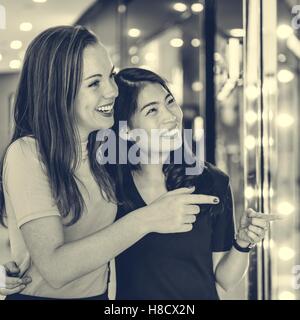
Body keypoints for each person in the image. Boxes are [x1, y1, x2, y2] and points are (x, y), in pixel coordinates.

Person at [0, 27, 215, 300]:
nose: (112, 91)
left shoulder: (104, 146)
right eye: (94, 83)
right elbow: (55, 268)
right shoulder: (28, 153)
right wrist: (148, 219)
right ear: (57, 92)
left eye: (110, 76)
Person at [107, 68, 281, 300]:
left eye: (170, 101)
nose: (170, 116)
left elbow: (225, 279)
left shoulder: (211, 181)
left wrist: (243, 242)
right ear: (127, 130)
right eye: (152, 110)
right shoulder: (111, 187)